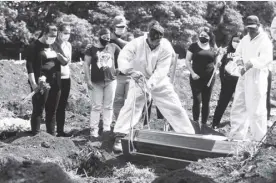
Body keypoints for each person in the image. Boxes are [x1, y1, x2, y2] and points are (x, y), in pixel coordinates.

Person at [113, 20, 195, 152]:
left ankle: (188, 135)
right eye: (152, 42)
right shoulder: (137, 43)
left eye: (157, 42)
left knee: (173, 104)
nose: (154, 44)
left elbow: (161, 71)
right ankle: (120, 135)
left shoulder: (166, 47)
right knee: (132, 103)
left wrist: (149, 85)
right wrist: (130, 71)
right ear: (148, 38)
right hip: (139, 76)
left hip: (159, 80)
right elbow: (123, 58)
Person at [229, 15, 273, 141]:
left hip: (257, 76)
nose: (251, 31)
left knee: (256, 110)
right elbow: (238, 54)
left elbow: (266, 59)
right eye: (249, 28)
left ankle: (258, 139)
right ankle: (236, 137)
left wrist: (250, 63)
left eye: (253, 28)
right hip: (244, 76)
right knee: (239, 105)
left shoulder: (265, 40)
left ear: (259, 26)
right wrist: (238, 63)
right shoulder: (245, 39)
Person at [84, 28, 121, 138]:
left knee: (109, 106)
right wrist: (88, 80)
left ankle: (106, 128)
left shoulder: (113, 47)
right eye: (104, 37)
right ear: (99, 36)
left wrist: (119, 68)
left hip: (111, 81)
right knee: (96, 106)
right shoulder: (91, 49)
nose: (106, 40)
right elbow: (86, 64)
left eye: (108, 38)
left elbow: (124, 56)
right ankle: (94, 129)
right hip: (96, 82)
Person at [26, 24, 61, 135]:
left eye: (55, 36)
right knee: (38, 109)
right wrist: (34, 84)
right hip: (41, 81)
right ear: (45, 34)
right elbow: (30, 67)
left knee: (52, 110)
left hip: (55, 81)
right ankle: (36, 135)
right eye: (51, 36)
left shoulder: (54, 46)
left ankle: (51, 135)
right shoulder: (34, 46)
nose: (53, 38)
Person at [185, 27, 221, 131]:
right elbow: (187, 61)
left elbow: (217, 61)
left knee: (206, 102)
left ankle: (204, 125)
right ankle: (195, 123)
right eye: (201, 35)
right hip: (196, 78)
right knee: (197, 100)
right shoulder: (193, 46)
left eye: (205, 36)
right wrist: (192, 73)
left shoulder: (213, 47)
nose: (203, 37)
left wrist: (218, 63)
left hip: (209, 79)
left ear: (210, 37)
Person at [212, 32, 243, 129]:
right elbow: (220, 64)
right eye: (234, 40)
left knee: (239, 104)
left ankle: (236, 126)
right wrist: (223, 79)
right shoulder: (226, 51)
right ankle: (215, 124)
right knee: (222, 103)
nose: (236, 43)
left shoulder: (244, 51)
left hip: (240, 81)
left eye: (238, 41)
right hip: (227, 81)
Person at [51, 23, 72, 137]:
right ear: (59, 32)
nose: (67, 35)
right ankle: (51, 131)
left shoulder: (68, 45)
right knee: (54, 104)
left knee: (62, 105)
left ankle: (60, 130)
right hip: (56, 77)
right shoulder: (53, 44)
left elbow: (68, 61)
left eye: (69, 33)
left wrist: (63, 59)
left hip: (66, 77)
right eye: (65, 33)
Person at [110, 15, 132, 121]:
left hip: (129, 75)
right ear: (113, 26)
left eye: (123, 27)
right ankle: (119, 122)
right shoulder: (109, 38)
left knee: (129, 101)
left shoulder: (129, 36)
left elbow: (132, 47)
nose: (121, 29)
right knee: (117, 101)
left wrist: (117, 40)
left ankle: (127, 123)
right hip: (116, 75)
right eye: (118, 27)